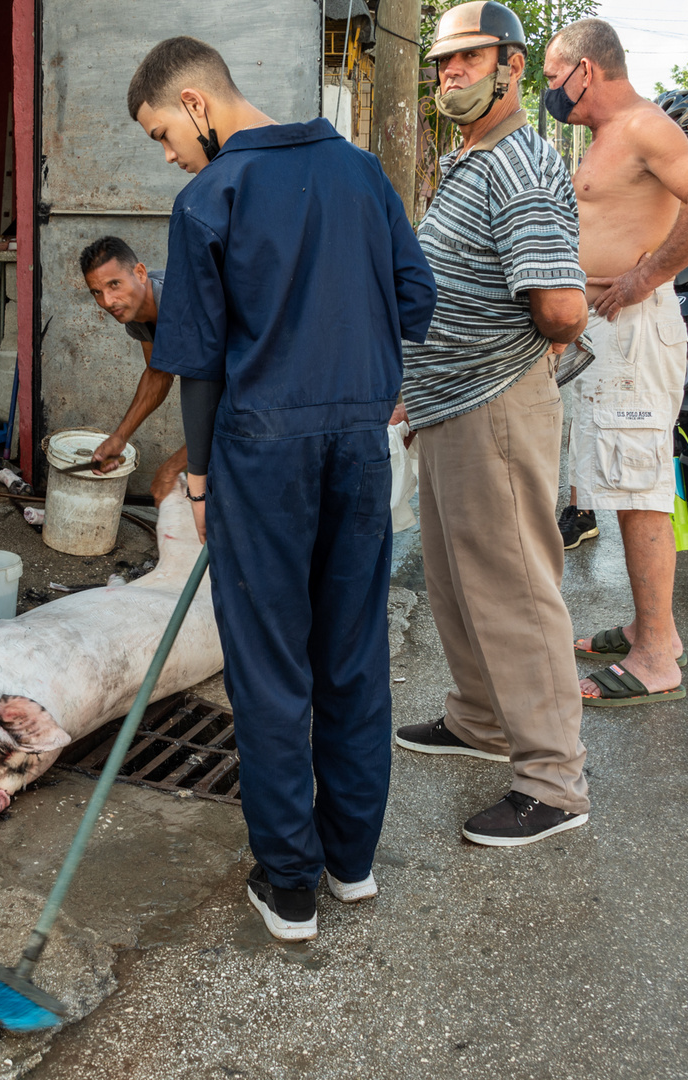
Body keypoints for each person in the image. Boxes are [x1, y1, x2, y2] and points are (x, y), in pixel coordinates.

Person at [130, 36, 435, 940]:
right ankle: (352, 862)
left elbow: (197, 364)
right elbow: (414, 301)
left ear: (194, 104)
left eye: (160, 134)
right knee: (350, 650)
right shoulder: (364, 173)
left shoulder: (209, 199)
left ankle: (289, 884)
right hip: (357, 443)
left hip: (261, 451)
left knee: (268, 668)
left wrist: (197, 479)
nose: (169, 154)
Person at [390, 1, 592, 848]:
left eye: (468, 60)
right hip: (447, 404)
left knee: (513, 591)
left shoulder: (520, 164)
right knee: (455, 582)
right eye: (442, 64)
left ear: (513, 66)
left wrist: (479, 356)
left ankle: (553, 780)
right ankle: (480, 717)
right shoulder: (472, 155)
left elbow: (561, 309)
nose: (450, 76)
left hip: (494, 405)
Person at [544, 18, 688, 706]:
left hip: (635, 327)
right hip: (607, 331)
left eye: (551, 78)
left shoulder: (644, 126)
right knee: (622, 484)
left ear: (585, 71)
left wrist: (647, 276)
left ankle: (658, 656)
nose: (550, 91)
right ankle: (648, 626)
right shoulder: (608, 136)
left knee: (640, 486)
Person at [78, 236, 189, 486]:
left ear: (139, 273)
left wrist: (173, 467)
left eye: (114, 284)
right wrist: (120, 438)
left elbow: (225, 402)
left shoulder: (184, 307)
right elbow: (158, 373)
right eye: (97, 292)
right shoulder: (138, 313)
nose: (106, 302)